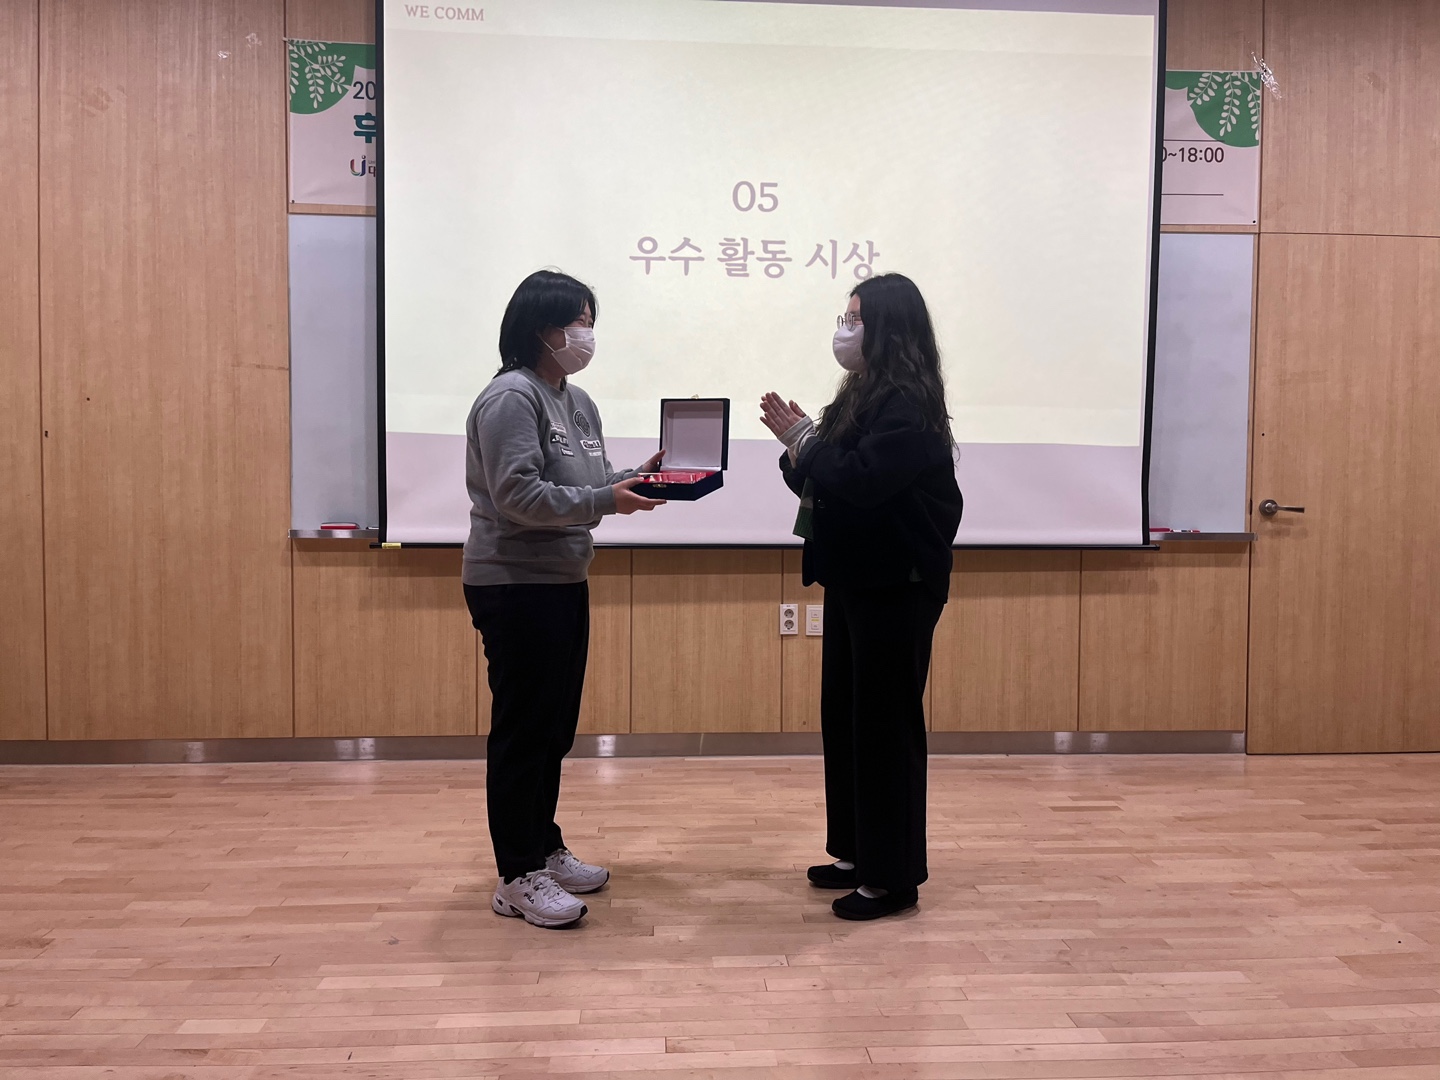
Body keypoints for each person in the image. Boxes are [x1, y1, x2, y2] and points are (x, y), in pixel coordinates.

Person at [464, 269, 664, 929]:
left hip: (563, 579)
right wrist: (608, 499)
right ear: (542, 329)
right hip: (514, 583)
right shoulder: (510, 398)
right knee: (524, 731)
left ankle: (542, 847)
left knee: (553, 728)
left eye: (589, 321)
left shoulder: (575, 401)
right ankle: (516, 874)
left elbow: (588, 481)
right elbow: (518, 496)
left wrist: (637, 479)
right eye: (578, 321)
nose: (586, 334)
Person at [760, 272, 963, 921]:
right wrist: (801, 451)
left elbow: (865, 482)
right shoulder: (862, 392)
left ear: (887, 328)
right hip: (856, 576)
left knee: (883, 727)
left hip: (897, 584)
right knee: (848, 718)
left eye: (855, 319)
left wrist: (806, 445)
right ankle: (855, 851)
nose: (844, 330)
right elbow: (833, 479)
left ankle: (891, 879)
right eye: (843, 318)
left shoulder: (907, 401)